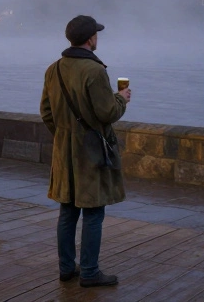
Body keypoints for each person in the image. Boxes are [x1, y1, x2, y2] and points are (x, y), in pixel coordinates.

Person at [40, 14, 131, 288]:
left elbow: (46, 113)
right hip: (90, 153)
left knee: (67, 211)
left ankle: (67, 268)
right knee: (93, 212)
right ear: (91, 38)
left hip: (64, 152)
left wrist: (64, 137)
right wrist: (122, 99)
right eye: (96, 34)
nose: (97, 38)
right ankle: (90, 272)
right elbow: (108, 112)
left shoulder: (53, 69)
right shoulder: (95, 71)